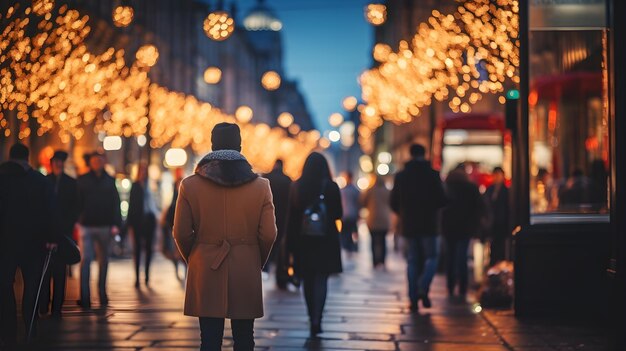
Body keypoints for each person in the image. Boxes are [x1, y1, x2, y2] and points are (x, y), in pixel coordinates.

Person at [173, 123, 276, 351]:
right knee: (244, 338)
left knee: (208, 339)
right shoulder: (261, 186)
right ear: (239, 146)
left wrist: (196, 257)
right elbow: (269, 233)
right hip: (245, 264)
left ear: (212, 145)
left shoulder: (190, 185)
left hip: (206, 265)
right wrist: (255, 259)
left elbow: (180, 232)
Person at [0, 144, 58, 347]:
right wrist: (52, 238)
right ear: (28, 157)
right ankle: (31, 327)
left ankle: (8, 330)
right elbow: (51, 212)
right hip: (35, 242)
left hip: (5, 243)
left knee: (5, 286)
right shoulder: (40, 182)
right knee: (32, 286)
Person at [286, 152, 343, 336]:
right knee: (321, 280)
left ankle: (312, 317)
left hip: (303, 241)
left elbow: (292, 218)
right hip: (326, 240)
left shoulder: (297, 186)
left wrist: (289, 248)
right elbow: (338, 214)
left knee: (308, 280)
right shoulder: (331, 186)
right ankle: (318, 318)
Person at [390, 143, 447, 312]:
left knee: (413, 261)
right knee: (432, 258)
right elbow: (441, 199)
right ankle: (423, 286)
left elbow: (393, 201)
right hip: (429, 224)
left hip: (409, 225)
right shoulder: (433, 175)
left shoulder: (402, 176)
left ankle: (413, 298)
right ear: (425, 154)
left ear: (410, 154)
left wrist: (404, 214)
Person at [76, 151, 121, 309]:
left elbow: (116, 202)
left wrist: (116, 224)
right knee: (86, 260)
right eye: (95, 160)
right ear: (91, 162)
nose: (97, 163)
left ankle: (102, 293)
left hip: (104, 225)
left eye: (100, 160)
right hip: (86, 225)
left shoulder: (110, 180)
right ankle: (85, 296)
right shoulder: (82, 180)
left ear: (103, 162)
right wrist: (78, 220)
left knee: (104, 261)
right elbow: (77, 201)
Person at [39, 150, 78, 318]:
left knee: (59, 272)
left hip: (63, 233)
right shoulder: (44, 181)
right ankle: (43, 304)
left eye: (60, 162)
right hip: (46, 233)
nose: (58, 165)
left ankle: (56, 307)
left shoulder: (70, 183)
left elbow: (74, 208)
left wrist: (66, 227)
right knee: (45, 272)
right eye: (55, 162)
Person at [441, 167, 486, 299]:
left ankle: (450, 285)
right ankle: (462, 286)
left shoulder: (446, 187)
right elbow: (480, 206)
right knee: (462, 256)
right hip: (466, 227)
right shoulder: (471, 188)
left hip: (449, 228)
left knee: (451, 256)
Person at [127, 163, 158, 288]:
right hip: (137, 221)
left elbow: (155, 202)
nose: (144, 173)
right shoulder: (135, 186)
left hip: (149, 219)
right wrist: (129, 224)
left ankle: (147, 275)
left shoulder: (151, 185)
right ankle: (137, 277)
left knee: (149, 248)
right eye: (142, 171)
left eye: (145, 171)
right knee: (137, 249)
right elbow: (131, 205)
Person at [263, 159, 292, 289]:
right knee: (281, 245)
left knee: (267, 241)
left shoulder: (266, 179)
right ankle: (281, 273)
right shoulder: (287, 180)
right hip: (284, 217)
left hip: (267, 216)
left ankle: (265, 267)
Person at [361, 176, 391, 269]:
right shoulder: (387, 191)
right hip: (384, 219)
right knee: (383, 241)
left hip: (372, 219)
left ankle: (375, 261)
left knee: (373, 241)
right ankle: (382, 261)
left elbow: (362, 202)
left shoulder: (370, 191)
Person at [161, 167, 185, 280]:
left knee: (181, 249)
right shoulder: (176, 186)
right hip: (172, 220)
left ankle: (183, 270)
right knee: (175, 248)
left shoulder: (185, 185)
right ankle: (177, 269)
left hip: (177, 219)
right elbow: (171, 203)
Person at [484, 167, 510, 266]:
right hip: (492, 221)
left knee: (501, 244)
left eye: (499, 175)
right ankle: (493, 262)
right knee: (493, 244)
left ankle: (499, 263)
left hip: (502, 221)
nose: (497, 177)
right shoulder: (489, 189)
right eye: (495, 175)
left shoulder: (506, 191)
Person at [339, 171, 360, 253]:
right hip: (353, 214)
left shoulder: (342, 191)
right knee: (353, 232)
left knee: (345, 233)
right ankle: (352, 247)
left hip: (345, 215)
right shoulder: (355, 190)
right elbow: (359, 203)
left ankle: (346, 247)